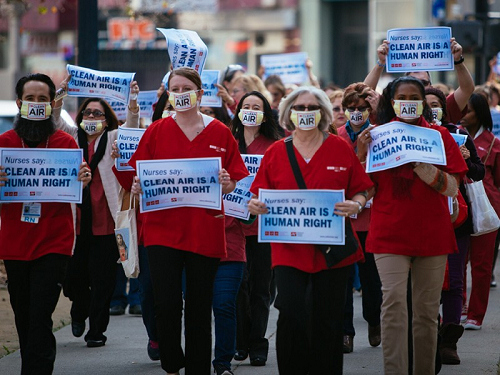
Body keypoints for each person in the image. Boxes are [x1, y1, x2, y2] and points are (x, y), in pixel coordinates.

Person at [127, 67, 249, 375]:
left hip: (204, 230)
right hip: (161, 232)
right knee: (166, 304)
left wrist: (226, 183)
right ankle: (170, 359)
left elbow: (234, 180)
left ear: (199, 92)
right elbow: (138, 177)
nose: (180, 93)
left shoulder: (220, 131)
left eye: (186, 88)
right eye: (175, 88)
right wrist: (138, 186)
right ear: (169, 94)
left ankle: (198, 368)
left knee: (199, 305)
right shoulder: (156, 131)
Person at [248, 86, 374, 374]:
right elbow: (257, 195)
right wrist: (255, 206)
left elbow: (363, 188)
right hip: (288, 250)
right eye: (300, 107)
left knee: (327, 321)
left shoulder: (340, 148)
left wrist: (356, 204)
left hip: (332, 251)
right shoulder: (277, 151)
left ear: (323, 113)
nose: (306, 112)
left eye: (311, 107)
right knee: (291, 314)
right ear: (289, 113)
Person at [358, 76, 468, 374]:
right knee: (393, 307)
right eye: (401, 97)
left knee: (426, 314)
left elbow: (452, 187)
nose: (408, 102)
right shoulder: (377, 136)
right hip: (389, 235)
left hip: (432, 235)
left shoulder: (440, 137)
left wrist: (425, 169)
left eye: (413, 97)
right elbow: (364, 188)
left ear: (423, 102)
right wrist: (359, 154)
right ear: (391, 102)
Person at [0, 73, 91, 374]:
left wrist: (83, 180)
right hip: (15, 245)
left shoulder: (66, 144)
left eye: (43, 99)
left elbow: (75, 191)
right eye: (30, 99)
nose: (37, 104)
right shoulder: (5, 144)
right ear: (19, 103)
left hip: (54, 244)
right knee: (23, 316)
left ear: (52, 105)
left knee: (40, 316)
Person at [53, 78, 140, 347]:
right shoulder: (70, 137)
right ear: (81, 117)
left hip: (107, 223)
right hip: (76, 222)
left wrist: (133, 102)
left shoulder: (113, 138)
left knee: (103, 281)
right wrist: (61, 92)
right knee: (74, 277)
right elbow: (55, 118)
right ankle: (79, 310)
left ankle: (96, 331)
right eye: (87, 112)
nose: (91, 116)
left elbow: (133, 126)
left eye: (97, 113)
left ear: (106, 119)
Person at [425, 86, 485, 364]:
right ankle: (428, 333)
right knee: (427, 282)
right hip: (422, 221)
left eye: (435, 104)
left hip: (455, 217)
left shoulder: (458, 134)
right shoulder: (405, 136)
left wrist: (465, 159)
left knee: (455, 281)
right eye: (426, 104)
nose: (430, 108)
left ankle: (449, 341)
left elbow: (478, 172)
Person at [231, 91, 281, 366]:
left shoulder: (274, 145)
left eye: (256, 106)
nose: (250, 110)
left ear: (265, 114)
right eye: (246, 106)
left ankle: (258, 344)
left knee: (261, 289)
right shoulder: (228, 141)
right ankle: (241, 342)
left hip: (263, 227)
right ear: (238, 111)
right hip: (233, 226)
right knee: (238, 288)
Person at [336, 82, 382, 353]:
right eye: (351, 108)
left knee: (371, 280)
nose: (356, 113)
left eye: (361, 108)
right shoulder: (336, 136)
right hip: (343, 218)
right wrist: (358, 154)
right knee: (342, 280)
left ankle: (374, 320)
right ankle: (345, 332)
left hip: (371, 218)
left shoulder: (378, 133)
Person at [459, 92, 500, 331]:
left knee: (482, 266)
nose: (464, 115)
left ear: (481, 114)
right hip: (461, 207)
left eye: (469, 110)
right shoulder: (453, 138)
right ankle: (460, 308)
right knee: (458, 261)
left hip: (487, 210)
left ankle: (476, 314)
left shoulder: (494, 143)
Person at [365, 38, 474, 124]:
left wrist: (458, 61)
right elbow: (365, 91)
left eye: (423, 83)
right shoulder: (390, 107)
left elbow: (467, 89)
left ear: (430, 86)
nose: (417, 87)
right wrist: (381, 63)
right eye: (412, 82)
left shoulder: (441, 106)